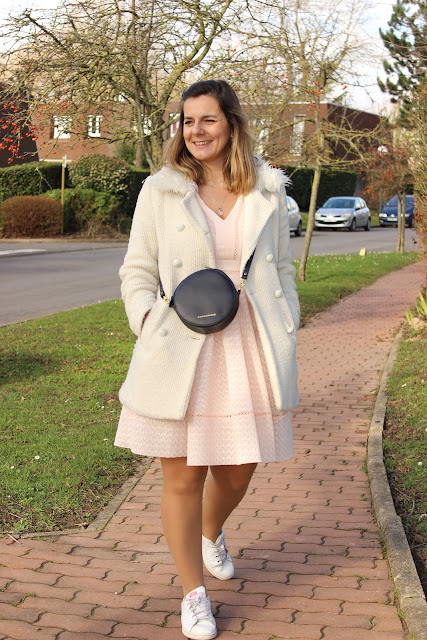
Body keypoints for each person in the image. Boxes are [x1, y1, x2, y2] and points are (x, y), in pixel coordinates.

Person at [115, 79, 300, 640]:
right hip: (180, 347)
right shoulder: (161, 190)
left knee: (239, 468)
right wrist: (148, 318)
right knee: (183, 474)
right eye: (187, 121)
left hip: (248, 343)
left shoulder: (266, 190)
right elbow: (137, 270)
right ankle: (193, 595)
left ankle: (210, 530)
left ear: (232, 124)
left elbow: (282, 267)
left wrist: (288, 319)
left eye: (207, 120)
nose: (195, 131)